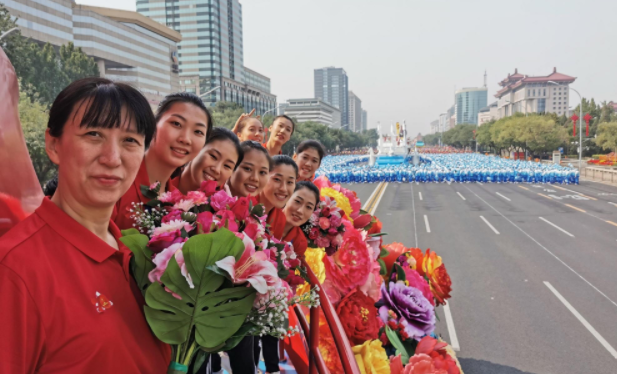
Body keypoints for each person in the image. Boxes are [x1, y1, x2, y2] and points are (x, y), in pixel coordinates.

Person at [0, 78, 170, 373]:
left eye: (130, 140)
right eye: (93, 134)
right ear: (53, 145)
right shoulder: (16, 269)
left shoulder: (139, 255)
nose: (112, 158)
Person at [113, 92, 211, 229]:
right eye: (176, 124)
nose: (186, 139)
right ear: (153, 123)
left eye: (198, 132)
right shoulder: (116, 178)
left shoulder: (180, 205)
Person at [173, 127, 243, 194]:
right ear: (197, 148)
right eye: (213, 156)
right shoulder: (164, 180)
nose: (217, 170)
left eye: (227, 166)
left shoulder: (223, 205)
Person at [259, 155, 298, 240]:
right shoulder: (243, 204)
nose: (283, 189)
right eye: (277, 179)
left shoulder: (280, 219)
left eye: (290, 182)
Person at [281, 181, 320, 258]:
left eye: (309, 207)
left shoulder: (300, 242)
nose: (300, 211)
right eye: (297, 201)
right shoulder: (266, 217)